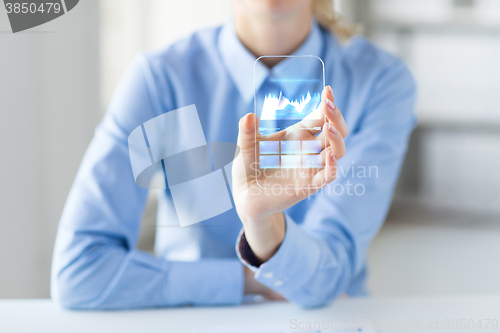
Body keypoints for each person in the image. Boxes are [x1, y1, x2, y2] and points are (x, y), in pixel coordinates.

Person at [51, 0, 416, 309]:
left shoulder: (380, 82)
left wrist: (264, 224)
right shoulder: (160, 80)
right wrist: (249, 280)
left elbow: (327, 277)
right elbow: (79, 272)